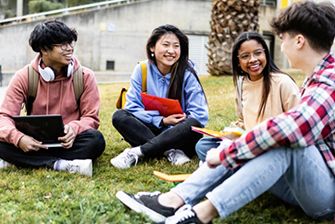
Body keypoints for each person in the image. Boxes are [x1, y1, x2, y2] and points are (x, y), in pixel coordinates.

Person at [115, 1, 335, 223]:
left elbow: (292, 129)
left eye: (283, 38)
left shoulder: (330, 81)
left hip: (326, 195)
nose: (281, 45)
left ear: (299, 41)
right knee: (242, 142)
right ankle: (172, 200)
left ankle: (200, 215)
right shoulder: (313, 80)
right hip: (298, 182)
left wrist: (226, 154)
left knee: (284, 143)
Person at [0, 20, 105, 177]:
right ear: (44, 49)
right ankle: (61, 164)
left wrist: (74, 129)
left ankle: (23, 161)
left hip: (69, 141)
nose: (69, 48)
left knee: (96, 140)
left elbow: (91, 118)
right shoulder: (24, 76)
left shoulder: (85, 76)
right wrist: (19, 138)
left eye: (70, 42)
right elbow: (4, 116)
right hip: (34, 142)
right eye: (62, 44)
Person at [111, 24, 208, 169]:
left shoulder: (187, 73)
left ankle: (138, 152)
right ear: (152, 47)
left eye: (176, 46)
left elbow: (200, 115)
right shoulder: (142, 70)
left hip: (180, 135)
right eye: (166, 45)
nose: (171, 51)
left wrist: (174, 127)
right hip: (150, 129)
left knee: (193, 124)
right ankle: (169, 152)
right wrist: (161, 120)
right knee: (119, 116)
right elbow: (132, 107)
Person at [196, 31, 300, 161]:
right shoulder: (241, 83)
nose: (253, 60)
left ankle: (235, 164)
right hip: (247, 141)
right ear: (238, 61)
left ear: (265, 54)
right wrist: (229, 133)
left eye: (257, 53)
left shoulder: (283, 82)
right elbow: (243, 121)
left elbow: (298, 123)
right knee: (203, 145)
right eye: (245, 56)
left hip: (273, 145)